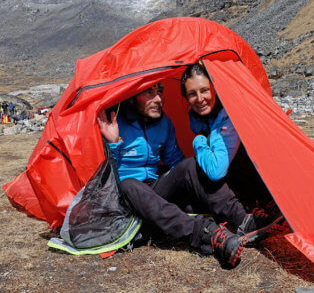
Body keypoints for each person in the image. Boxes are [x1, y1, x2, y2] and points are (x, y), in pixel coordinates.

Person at [97, 82, 248, 267]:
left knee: (190, 165)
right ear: (132, 96)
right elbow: (104, 176)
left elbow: (176, 163)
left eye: (160, 91)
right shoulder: (113, 123)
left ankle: (242, 218)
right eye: (149, 94)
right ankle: (207, 234)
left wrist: (195, 183)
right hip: (124, 197)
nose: (158, 99)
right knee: (129, 184)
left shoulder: (164, 123)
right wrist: (113, 142)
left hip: (153, 189)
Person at [180, 63, 283, 239]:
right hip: (234, 178)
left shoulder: (227, 114)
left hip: (258, 181)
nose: (199, 98)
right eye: (192, 94)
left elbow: (216, 171)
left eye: (204, 90)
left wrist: (198, 141)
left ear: (214, 88)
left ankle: (255, 208)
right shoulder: (195, 114)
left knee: (208, 166)